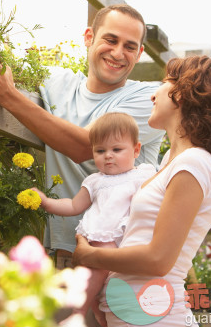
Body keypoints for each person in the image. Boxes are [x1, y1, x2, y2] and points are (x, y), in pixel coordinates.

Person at [0, 4, 165, 267]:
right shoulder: (58, 82)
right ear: (89, 38)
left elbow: (85, 146)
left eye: (129, 46)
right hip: (67, 252)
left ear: (139, 54)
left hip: (123, 259)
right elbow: (4, 75)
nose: (118, 53)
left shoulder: (147, 98)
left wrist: (9, 96)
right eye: (110, 40)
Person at [72, 55, 211, 326]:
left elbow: (158, 259)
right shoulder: (171, 161)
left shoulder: (195, 163)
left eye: (164, 83)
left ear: (184, 94)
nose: (153, 94)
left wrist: (89, 255)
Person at [32, 112, 156, 326]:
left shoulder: (144, 175)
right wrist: (46, 202)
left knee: (115, 286)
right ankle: (78, 312)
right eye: (100, 150)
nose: (108, 155)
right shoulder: (96, 181)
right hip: (101, 239)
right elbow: (73, 205)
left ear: (136, 150)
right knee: (93, 276)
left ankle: (97, 310)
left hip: (130, 240)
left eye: (117, 149)